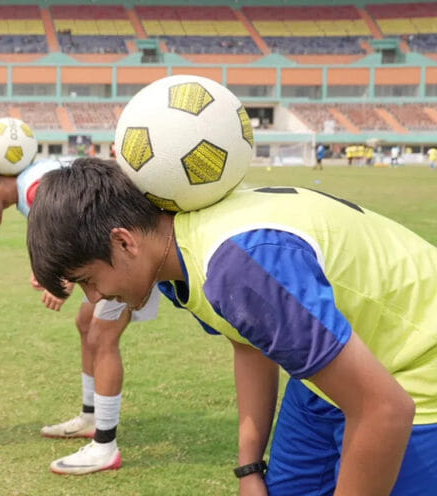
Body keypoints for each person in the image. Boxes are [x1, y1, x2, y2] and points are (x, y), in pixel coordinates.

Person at [27, 157, 437, 495]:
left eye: (88, 280)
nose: (94, 298)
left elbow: (383, 409)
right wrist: (249, 467)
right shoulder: (174, 256)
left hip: (417, 374)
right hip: (340, 369)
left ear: (123, 241)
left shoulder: (235, 268)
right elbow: (249, 343)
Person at [0, 158, 158, 475]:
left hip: (127, 255)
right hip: (119, 251)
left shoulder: (34, 190)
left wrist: (64, 280)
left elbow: (82, 220)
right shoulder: (30, 184)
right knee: (86, 324)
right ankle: (91, 415)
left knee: (102, 336)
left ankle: (105, 446)